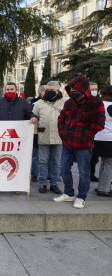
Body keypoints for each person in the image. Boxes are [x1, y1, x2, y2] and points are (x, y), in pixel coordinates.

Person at [54, 75, 105, 209]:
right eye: (70, 89)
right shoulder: (69, 103)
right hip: (67, 143)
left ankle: (81, 197)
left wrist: (86, 136)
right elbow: (61, 118)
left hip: (84, 145)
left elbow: (99, 123)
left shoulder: (95, 102)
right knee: (63, 169)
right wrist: (62, 133)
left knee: (84, 172)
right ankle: (68, 193)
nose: (72, 92)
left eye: (74, 89)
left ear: (82, 89)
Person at [32, 81, 66, 194]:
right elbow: (34, 117)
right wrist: (34, 130)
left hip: (59, 137)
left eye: (52, 90)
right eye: (47, 90)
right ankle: (42, 183)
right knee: (42, 161)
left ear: (58, 90)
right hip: (43, 136)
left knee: (56, 161)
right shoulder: (39, 103)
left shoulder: (65, 102)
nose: (49, 92)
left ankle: (54, 183)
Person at [94, 86, 112, 196]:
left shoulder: (99, 104)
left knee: (103, 163)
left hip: (98, 137)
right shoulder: (110, 106)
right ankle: (104, 189)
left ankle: (101, 186)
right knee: (109, 164)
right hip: (109, 139)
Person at [90, 82, 101, 182]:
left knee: (95, 157)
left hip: (97, 134)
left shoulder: (99, 100)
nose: (94, 91)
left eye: (95, 89)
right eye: (92, 89)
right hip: (89, 133)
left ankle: (91, 174)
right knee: (89, 157)